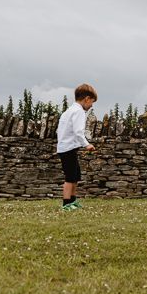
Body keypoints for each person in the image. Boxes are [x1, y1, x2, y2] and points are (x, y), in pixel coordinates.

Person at [57, 83, 97, 211]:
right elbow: (78, 131)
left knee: (75, 176)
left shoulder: (69, 111)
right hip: (68, 148)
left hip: (66, 147)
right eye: (92, 102)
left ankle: (73, 201)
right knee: (70, 177)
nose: (91, 105)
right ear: (86, 99)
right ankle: (66, 203)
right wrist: (87, 144)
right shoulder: (79, 111)